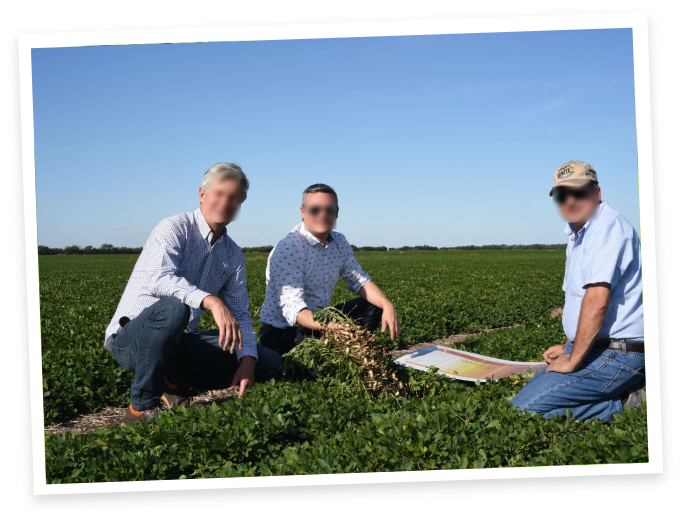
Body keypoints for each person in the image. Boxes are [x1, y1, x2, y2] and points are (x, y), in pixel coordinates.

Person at [104, 163, 282, 423]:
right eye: (219, 194)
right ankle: (139, 408)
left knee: (267, 361)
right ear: (202, 194)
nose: (225, 202)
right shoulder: (174, 228)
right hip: (133, 342)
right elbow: (158, 278)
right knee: (174, 307)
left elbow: (241, 313)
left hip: (180, 342)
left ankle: (173, 380)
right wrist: (210, 301)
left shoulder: (232, 254)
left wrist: (247, 360)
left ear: (241, 202)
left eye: (233, 197)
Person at [510, 160, 645, 422]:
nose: (569, 201)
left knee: (521, 412)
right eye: (561, 196)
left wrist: (573, 358)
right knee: (526, 404)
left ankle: (630, 402)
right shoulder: (580, 234)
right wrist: (568, 345)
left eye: (578, 192)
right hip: (599, 349)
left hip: (618, 355)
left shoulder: (607, 228)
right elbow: (585, 302)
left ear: (597, 193)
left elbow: (597, 303)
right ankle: (617, 396)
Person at [258, 183, 400, 356]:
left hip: (319, 323)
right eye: (315, 209)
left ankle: (359, 351)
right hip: (282, 333)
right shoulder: (289, 248)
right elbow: (293, 309)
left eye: (329, 210)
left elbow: (359, 280)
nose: (323, 215)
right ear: (303, 212)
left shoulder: (339, 242)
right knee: (324, 365)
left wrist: (387, 305)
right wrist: (332, 327)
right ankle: (346, 352)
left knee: (375, 304)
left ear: (337, 212)